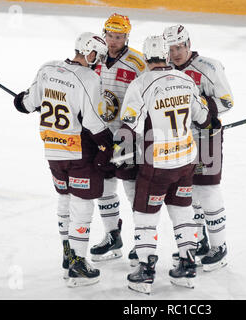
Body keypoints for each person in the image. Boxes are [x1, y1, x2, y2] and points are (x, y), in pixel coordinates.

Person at [117, 35, 220, 294]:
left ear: (145, 57)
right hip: (185, 160)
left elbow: (129, 125)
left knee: (145, 214)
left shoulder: (140, 84)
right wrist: (213, 120)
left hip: (157, 164)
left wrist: (118, 154)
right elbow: (203, 117)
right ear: (165, 55)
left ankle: (146, 270)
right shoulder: (186, 80)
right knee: (182, 212)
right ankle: (187, 266)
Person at [13, 32, 114, 287]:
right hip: (78, 151)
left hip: (52, 150)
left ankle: (68, 254)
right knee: (82, 205)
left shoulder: (47, 68)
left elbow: (27, 103)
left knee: (65, 199)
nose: (97, 61)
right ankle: (79, 265)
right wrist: (106, 146)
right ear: (89, 52)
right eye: (97, 56)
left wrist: (20, 101)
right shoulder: (88, 77)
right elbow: (92, 121)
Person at [163, 24, 234, 271]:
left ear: (188, 44)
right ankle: (199, 241)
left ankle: (220, 247)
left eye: (180, 47)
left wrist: (200, 110)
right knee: (188, 192)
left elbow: (226, 101)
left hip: (207, 138)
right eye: (171, 48)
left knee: (208, 191)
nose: (176, 53)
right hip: (179, 141)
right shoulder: (165, 70)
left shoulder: (209, 67)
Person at [90, 13, 149, 262]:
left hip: (128, 136)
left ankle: (141, 243)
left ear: (127, 36)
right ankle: (112, 236)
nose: (113, 41)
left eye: (119, 36)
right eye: (110, 36)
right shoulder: (96, 58)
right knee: (104, 187)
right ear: (104, 34)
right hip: (100, 135)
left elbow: (150, 94)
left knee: (132, 189)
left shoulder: (137, 62)